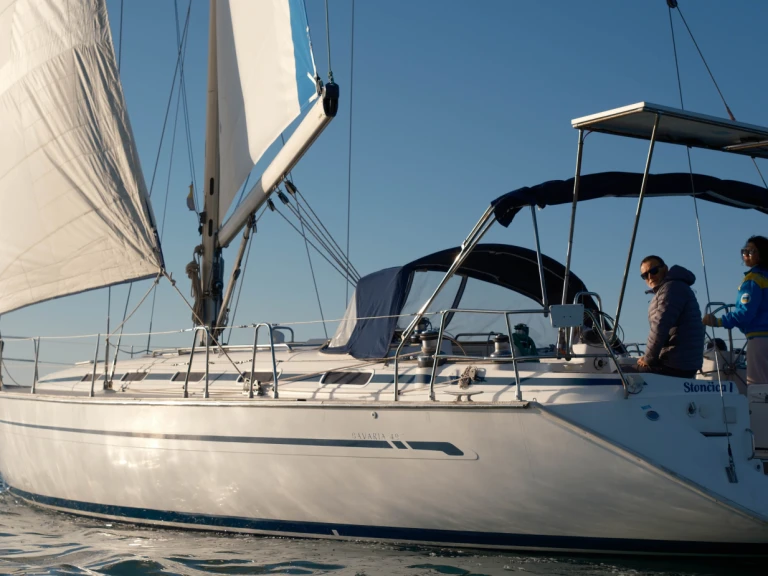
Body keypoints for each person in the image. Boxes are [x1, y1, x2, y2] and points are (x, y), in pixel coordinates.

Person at [703, 236, 768, 386]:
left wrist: (718, 321)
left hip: (759, 340)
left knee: (759, 388)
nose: (745, 254)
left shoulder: (753, 280)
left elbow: (745, 314)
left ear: (762, 254)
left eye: (750, 251)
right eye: (744, 251)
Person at [630, 255, 704, 378]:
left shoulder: (672, 288)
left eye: (653, 271)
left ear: (665, 268)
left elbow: (661, 325)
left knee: (617, 374)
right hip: (681, 363)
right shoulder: (673, 287)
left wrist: (648, 359)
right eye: (644, 275)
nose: (650, 277)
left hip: (677, 365)